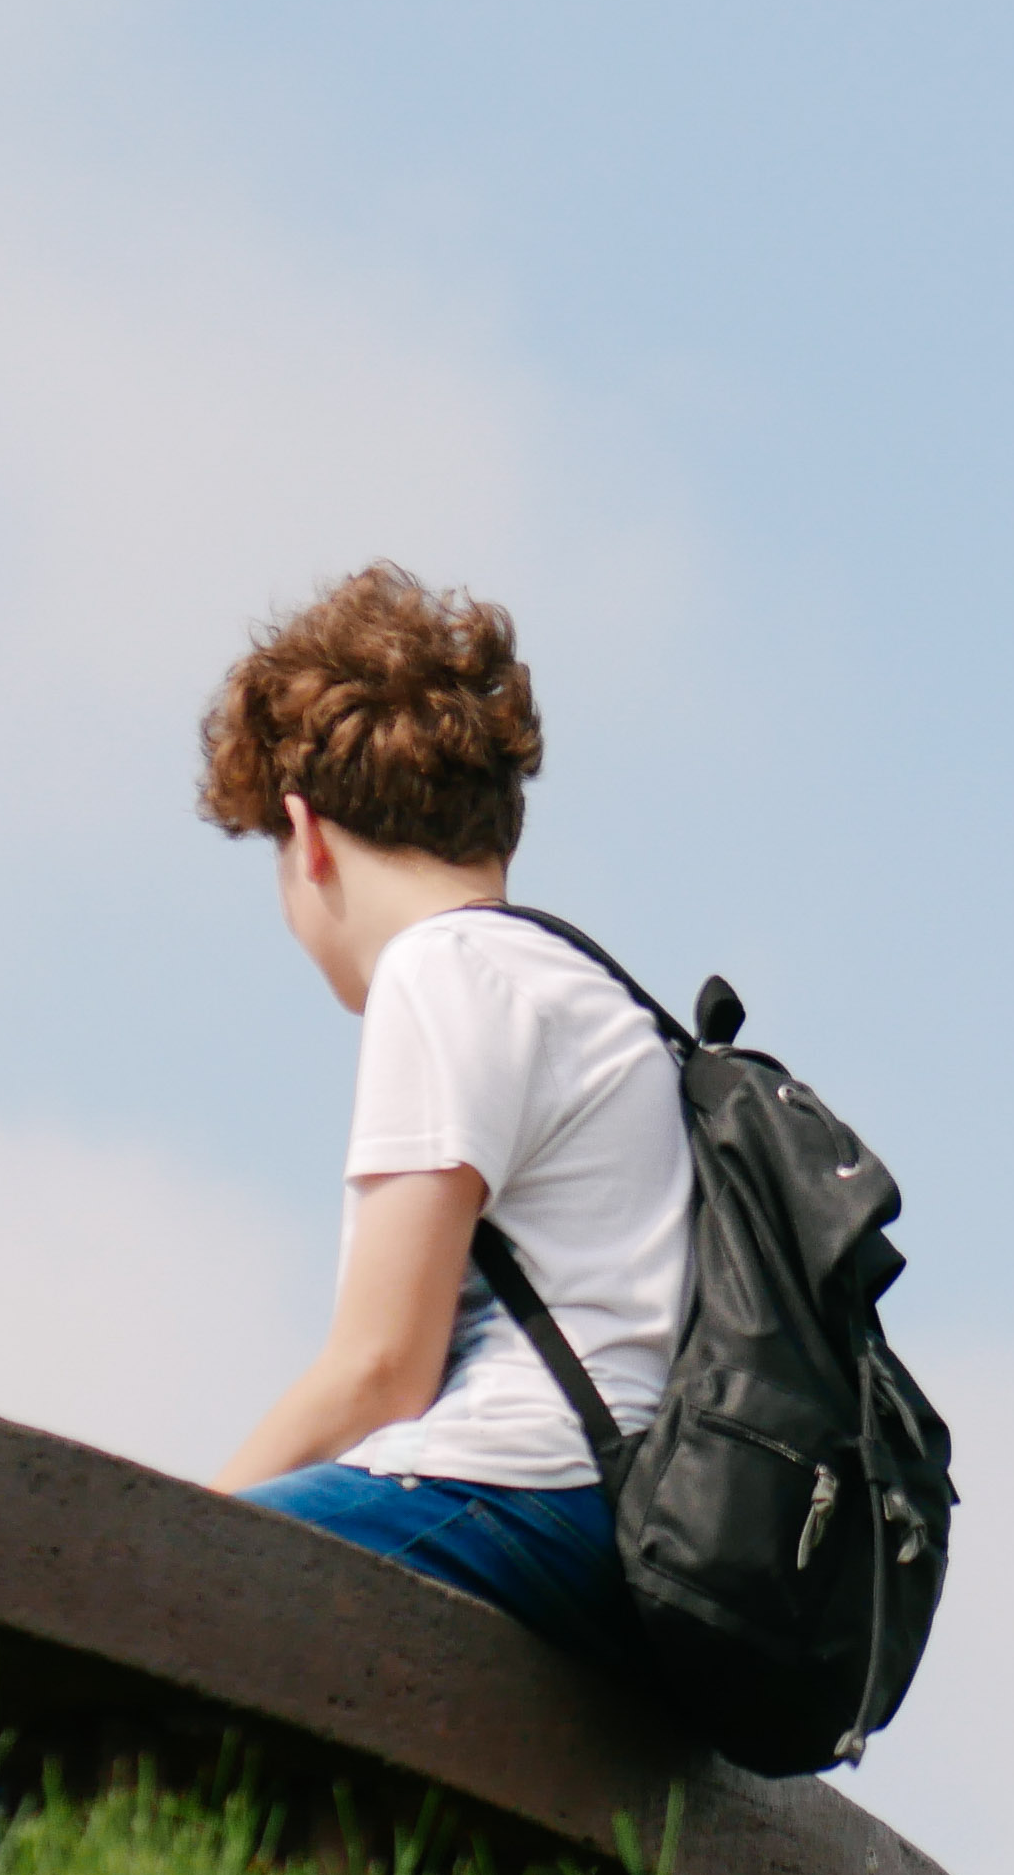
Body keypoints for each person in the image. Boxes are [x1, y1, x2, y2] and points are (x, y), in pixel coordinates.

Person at [202, 564, 687, 1659]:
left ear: (304, 833)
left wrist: (182, 1527)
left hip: (522, 1489)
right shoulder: (588, 989)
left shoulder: (441, 968)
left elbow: (380, 1367)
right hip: (630, 1514)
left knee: (106, 1602)